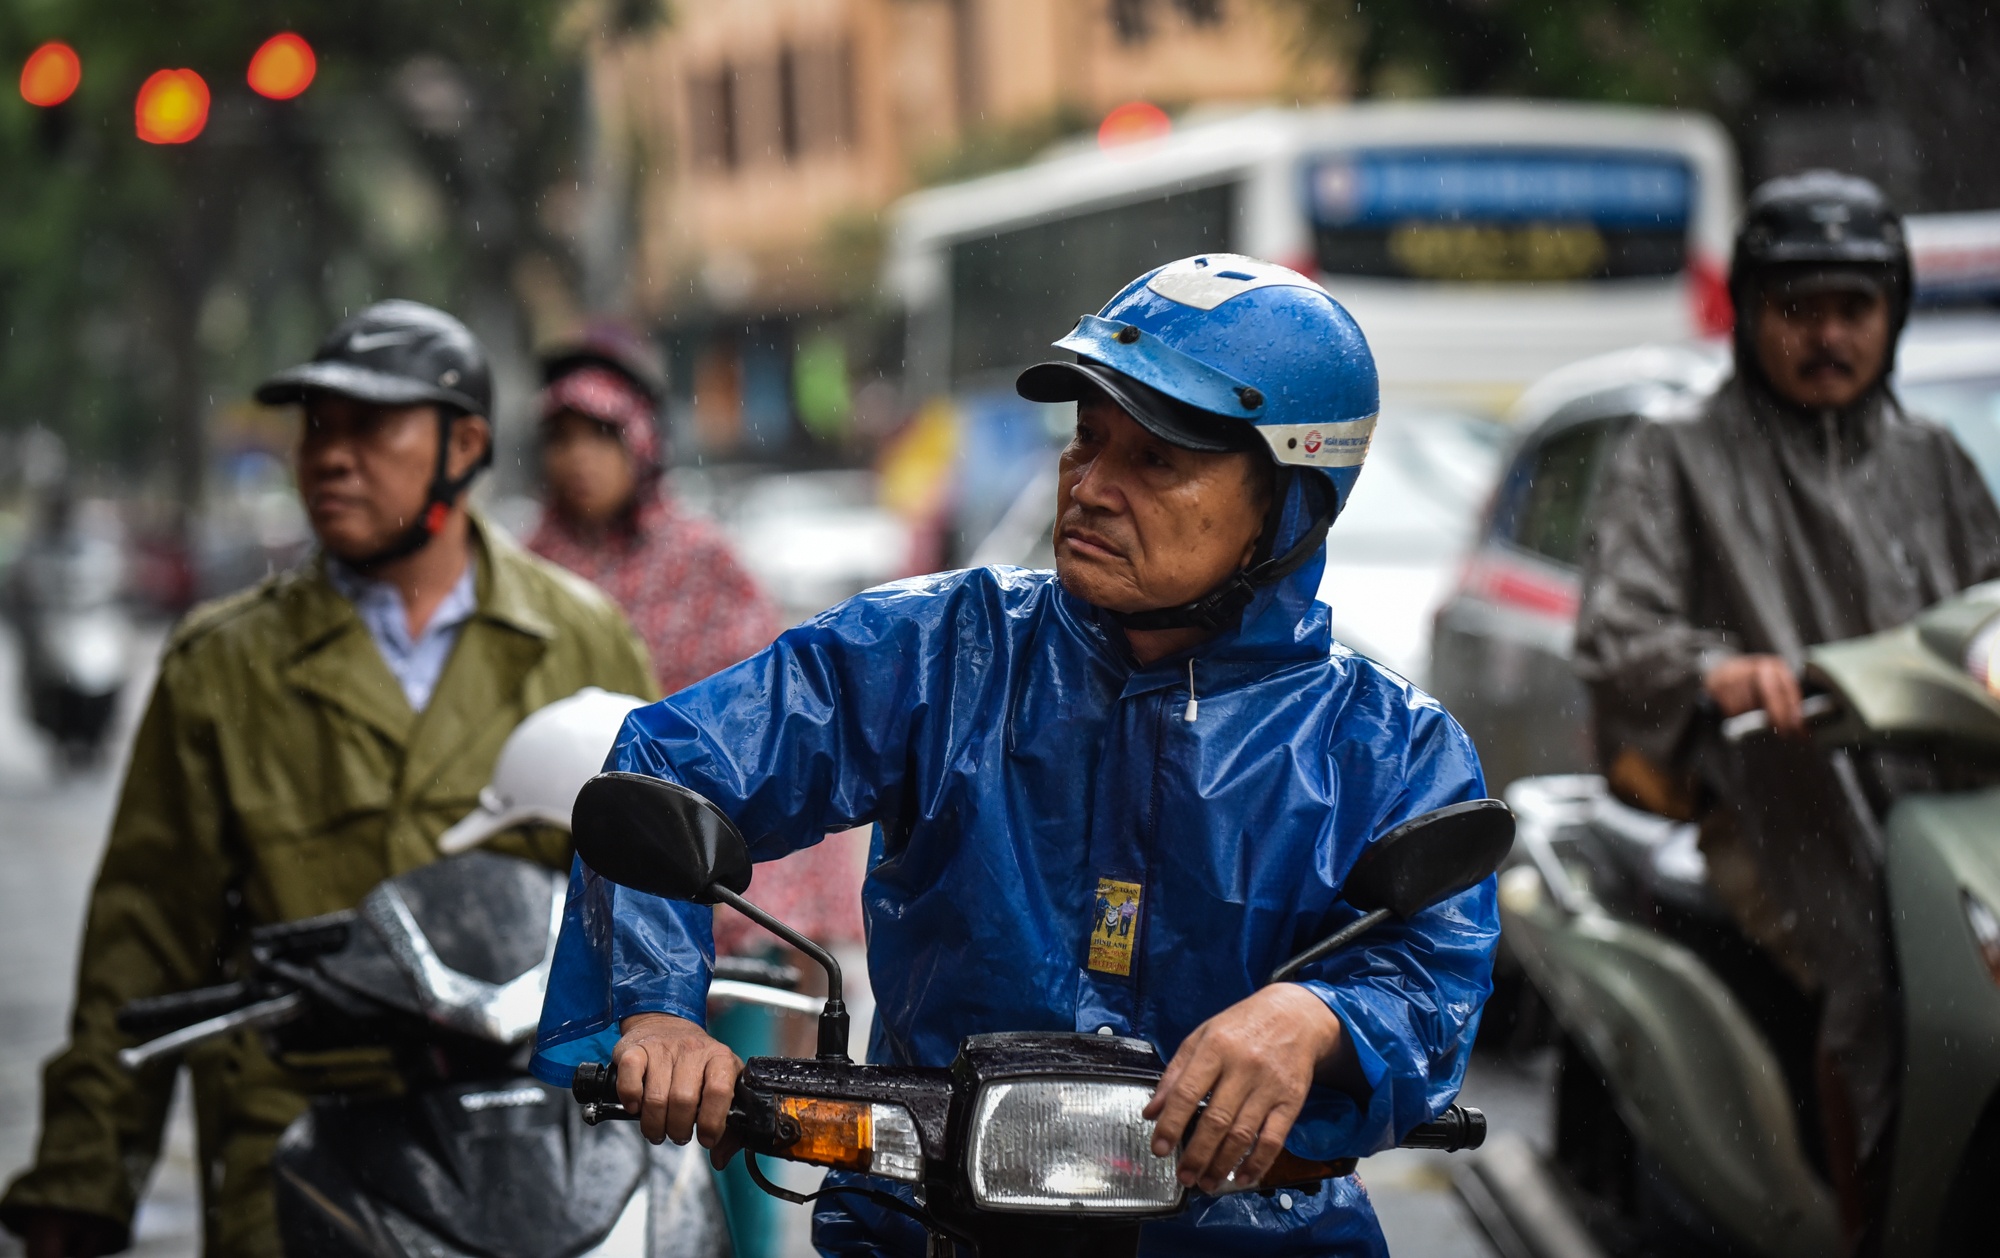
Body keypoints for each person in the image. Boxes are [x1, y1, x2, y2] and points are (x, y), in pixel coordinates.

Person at [531, 255, 1499, 1254]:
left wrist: (1313, 1018)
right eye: (1086, 440)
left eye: (1156, 460)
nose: (1088, 487)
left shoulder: (1394, 749)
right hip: (924, 1221)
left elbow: (1431, 974)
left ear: (1290, 499)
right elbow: (666, 764)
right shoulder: (938, 648)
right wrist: (656, 1009)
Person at [0, 301, 657, 1258]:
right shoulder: (222, 665)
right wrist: (83, 1178)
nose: (330, 456)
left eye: (371, 426)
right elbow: (143, 941)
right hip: (299, 1141)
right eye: (318, 426)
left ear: (465, 444)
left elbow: (649, 895)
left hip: (537, 1139)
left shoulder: (583, 636)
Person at [1573, 171, 2000, 1249]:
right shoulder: (1673, 453)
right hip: (1774, 796)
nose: (1825, 335)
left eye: (1851, 309)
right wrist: (1718, 671)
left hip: (1946, 795)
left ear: (1890, 317)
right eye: (1796, 308)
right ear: (1751, 316)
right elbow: (1614, 632)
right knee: (1878, 971)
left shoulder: (1935, 461)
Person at [525, 332, 860, 1258]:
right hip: (564, 902)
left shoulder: (705, 568)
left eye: (599, 434)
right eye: (561, 438)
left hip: (721, 907)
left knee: (730, 1165)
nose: (578, 459)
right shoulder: (524, 578)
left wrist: (794, 937)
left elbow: (774, 746)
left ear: (640, 444)